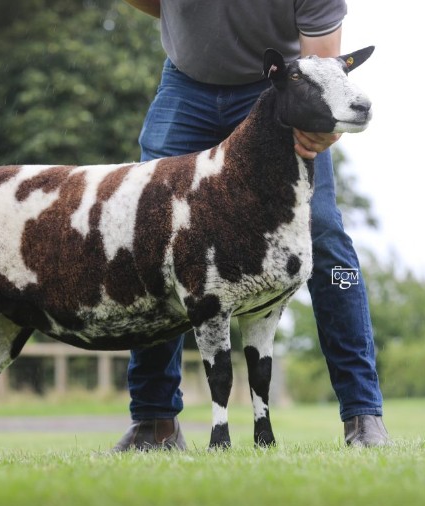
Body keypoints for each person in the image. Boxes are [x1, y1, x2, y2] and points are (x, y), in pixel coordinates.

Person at [112, 0, 390, 450]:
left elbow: (324, 69)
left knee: (322, 229)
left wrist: (319, 127)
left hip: (280, 89)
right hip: (186, 89)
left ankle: (363, 414)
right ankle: (154, 421)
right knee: (151, 232)